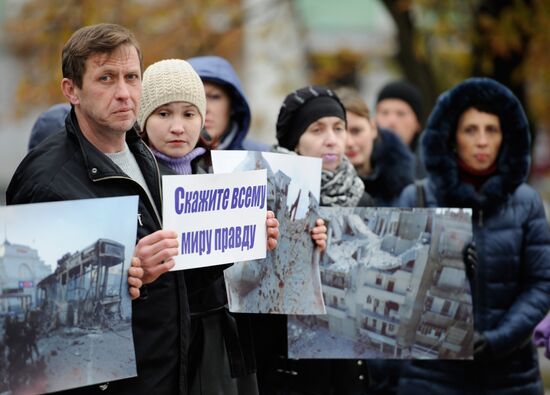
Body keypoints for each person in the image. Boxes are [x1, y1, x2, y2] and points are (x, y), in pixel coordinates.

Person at [6, 23, 185, 394]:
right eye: (106, 78)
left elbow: (177, 275)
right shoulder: (46, 180)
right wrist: (132, 274)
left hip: (166, 372)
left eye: (131, 77)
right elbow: (35, 328)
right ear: (72, 90)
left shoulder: (146, 153)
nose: (124, 93)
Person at [137, 58, 283, 395]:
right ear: (143, 119)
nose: (178, 127)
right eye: (163, 114)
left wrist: (259, 237)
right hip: (172, 346)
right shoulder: (136, 182)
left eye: (189, 114)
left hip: (225, 342)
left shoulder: (219, 173)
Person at [397, 77, 550, 395]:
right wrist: (442, 266)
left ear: (504, 137)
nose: (482, 141)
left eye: (491, 130)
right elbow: (394, 279)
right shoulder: (418, 197)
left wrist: (497, 340)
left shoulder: (526, 202)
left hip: (511, 376)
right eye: (471, 130)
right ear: (453, 138)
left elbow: (541, 283)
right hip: (432, 376)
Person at [253, 85, 374, 395]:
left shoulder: (363, 201)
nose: (331, 138)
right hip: (287, 371)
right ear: (295, 142)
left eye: (339, 128)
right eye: (317, 129)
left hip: (347, 371)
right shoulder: (267, 194)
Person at [336, 87, 415, 207]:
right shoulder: (317, 192)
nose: (350, 143)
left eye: (356, 131)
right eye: (340, 131)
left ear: (373, 128)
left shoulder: (406, 190)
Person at [187, 55, 268, 152]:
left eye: (214, 97)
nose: (204, 109)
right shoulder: (164, 163)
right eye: (195, 98)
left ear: (232, 105)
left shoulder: (263, 159)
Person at [375, 80, 426, 178]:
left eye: (401, 114)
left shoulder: (432, 168)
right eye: (384, 113)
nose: (391, 121)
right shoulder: (365, 166)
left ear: (417, 123)